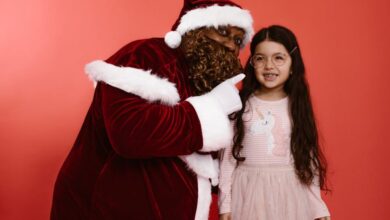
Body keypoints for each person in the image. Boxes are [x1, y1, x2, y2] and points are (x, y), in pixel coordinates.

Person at [50, 0, 254, 219]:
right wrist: (211, 109)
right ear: (195, 29)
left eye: (238, 40)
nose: (232, 46)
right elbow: (128, 130)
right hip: (104, 207)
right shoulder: (146, 55)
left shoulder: (203, 81)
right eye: (222, 31)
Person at [218, 25, 331, 220]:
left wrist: (318, 207)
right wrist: (225, 203)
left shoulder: (297, 107)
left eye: (278, 58)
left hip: (290, 195)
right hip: (248, 196)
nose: (269, 66)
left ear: (293, 63)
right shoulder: (241, 104)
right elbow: (227, 158)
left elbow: (308, 160)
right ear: (252, 63)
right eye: (260, 58)